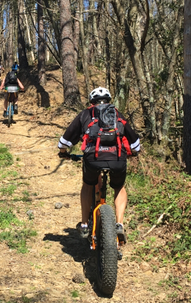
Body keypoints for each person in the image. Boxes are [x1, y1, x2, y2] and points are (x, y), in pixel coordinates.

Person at [57, 87, 141, 248]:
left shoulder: (85, 114)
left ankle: (84, 225)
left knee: (88, 184)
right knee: (119, 187)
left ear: (91, 102)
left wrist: (63, 153)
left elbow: (64, 141)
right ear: (109, 101)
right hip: (117, 158)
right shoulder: (117, 115)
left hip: (93, 158)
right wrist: (133, 153)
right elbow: (135, 144)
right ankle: (119, 224)